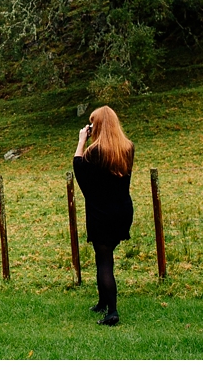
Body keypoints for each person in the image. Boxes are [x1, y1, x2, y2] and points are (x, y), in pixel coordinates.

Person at [72, 105, 135, 326]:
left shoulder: (94, 152)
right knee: (107, 254)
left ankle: (112, 311)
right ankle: (102, 301)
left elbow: (79, 169)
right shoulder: (127, 148)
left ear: (95, 126)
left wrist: (81, 141)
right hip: (123, 210)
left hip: (101, 213)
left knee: (104, 260)